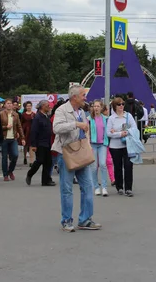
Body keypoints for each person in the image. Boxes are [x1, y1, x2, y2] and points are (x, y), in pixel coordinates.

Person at [52, 85, 101, 232]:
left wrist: (88, 144)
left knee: (88, 186)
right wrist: (75, 124)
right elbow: (56, 128)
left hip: (81, 152)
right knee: (67, 189)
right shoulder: (62, 110)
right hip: (66, 153)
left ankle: (85, 219)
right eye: (82, 95)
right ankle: (66, 221)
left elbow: (85, 130)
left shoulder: (82, 112)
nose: (85, 98)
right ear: (74, 97)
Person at [107, 97, 138, 196]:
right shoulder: (111, 118)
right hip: (115, 146)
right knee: (118, 166)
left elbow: (134, 128)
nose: (121, 106)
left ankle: (128, 188)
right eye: (118, 104)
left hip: (128, 145)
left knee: (129, 165)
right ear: (114, 106)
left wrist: (124, 132)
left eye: (122, 104)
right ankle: (119, 186)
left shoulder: (128, 116)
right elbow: (108, 133)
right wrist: (120, 134)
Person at [26, 100, 55, 186]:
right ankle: (30, 174)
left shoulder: (46, 116)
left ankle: (46, 180)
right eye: (47, 106)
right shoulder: (37, 117)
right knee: (40, 160)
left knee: (48, 162)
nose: (49, 107)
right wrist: (33, 145)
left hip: (47, 142)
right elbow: (34, 131)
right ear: (42, 106)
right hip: (40, 143)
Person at [88, 100, 110, 196]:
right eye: (94, 106)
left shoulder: (106, 119)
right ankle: (96, 187)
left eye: (98, 106)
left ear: (101, 108)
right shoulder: (89, 119)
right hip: (92, 144)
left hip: (102, 144)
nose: (96, 108)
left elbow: (109, 130)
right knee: (93, 167)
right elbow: (86, 132)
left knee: (103, 164)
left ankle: (104, 187)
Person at [0, 99, 25, 182]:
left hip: (13, 138)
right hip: (4, 138)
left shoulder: (15, 114)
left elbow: (19, 126)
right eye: (8, 103)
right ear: (4, 105)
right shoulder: (1, 114)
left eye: (10, 103)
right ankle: (5, 174)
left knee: (15, 155)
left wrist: (22, 137)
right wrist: (5, 127)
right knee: (4, 157)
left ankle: (10, 171)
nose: (9, 105)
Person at [20, 101, 35, 166]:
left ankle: (31, 161)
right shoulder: (23, 114)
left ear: (31, 106)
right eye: (27, 106)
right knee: (25, 145)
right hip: (25, 130)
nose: (29, 107)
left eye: (30, 106)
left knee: (31, 145)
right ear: (26, 107)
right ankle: (25, 157)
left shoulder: (34, 114)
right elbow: (21, 122)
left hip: (32, 130)